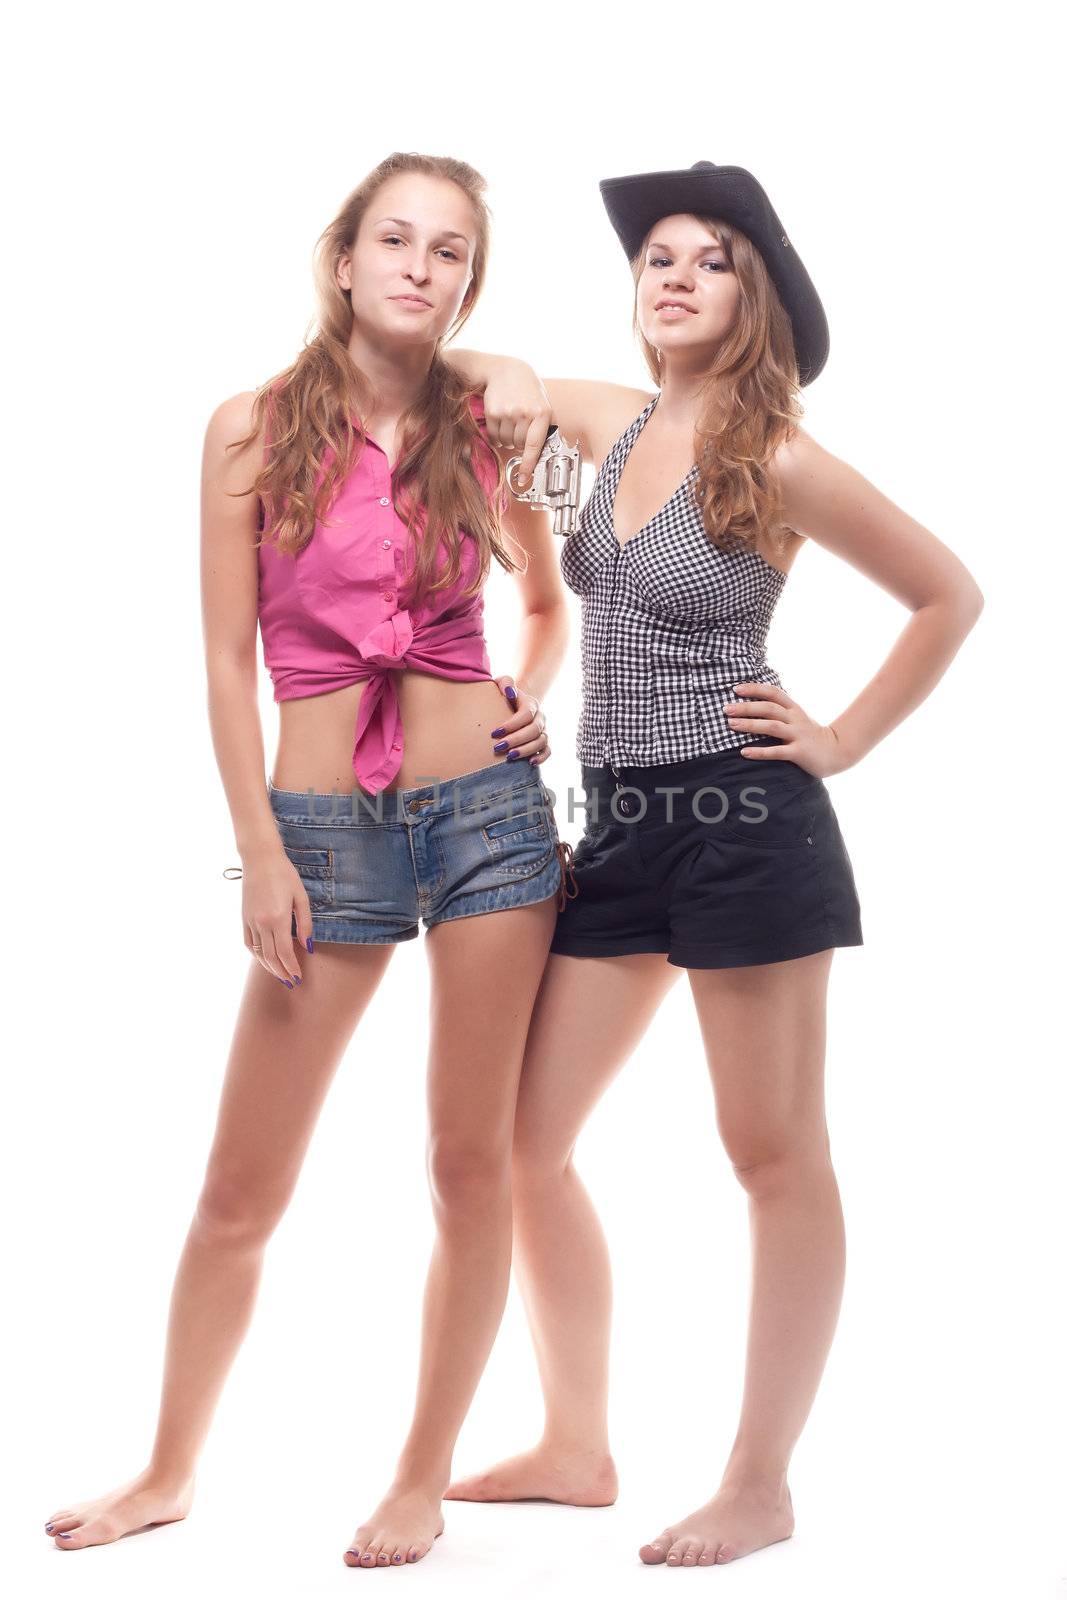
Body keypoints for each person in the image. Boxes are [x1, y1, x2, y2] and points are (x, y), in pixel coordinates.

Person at [443, 160, 985, 1567]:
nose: (674, 276)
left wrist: (846, 736)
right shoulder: (610, 426)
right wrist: (494, 376)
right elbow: (484, 371)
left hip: (750, 825)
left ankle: (762, 1480)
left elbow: (948, 593)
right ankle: (577, 1443)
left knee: (771, 1153)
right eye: (657, 259)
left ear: (760, 300)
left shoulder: (782, 460)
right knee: (523, 1142)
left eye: (711, 261)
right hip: (620, 822)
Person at [41, 151, 573, 1569]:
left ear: (470, 281)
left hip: (490, 822)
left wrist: (532, 687)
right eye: (394, 240)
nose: (418, 267)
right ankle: (165, 1468)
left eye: (450, 252)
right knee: (239, 1188)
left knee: (470, 1165)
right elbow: (223, 662)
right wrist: (258, 851)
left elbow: (553, 585)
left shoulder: (492, 422)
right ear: (342, 259)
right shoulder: (246, 431)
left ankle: (419, 1476)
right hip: (322, 831)